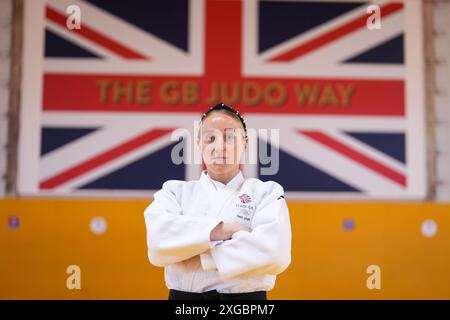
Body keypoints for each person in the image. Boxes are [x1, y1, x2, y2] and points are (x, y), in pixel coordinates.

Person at [144, 103, 292, 300]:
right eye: (210, 138)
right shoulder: (174, 192)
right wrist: (226, 230)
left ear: (245, 144)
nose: (219, 146)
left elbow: (274, 253)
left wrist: (202, 257)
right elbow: (158, 243)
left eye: (230, 137)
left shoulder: (266, 193)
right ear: (199, 145)